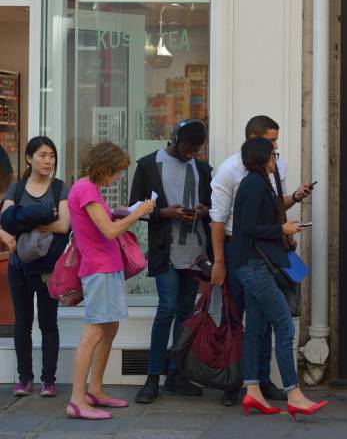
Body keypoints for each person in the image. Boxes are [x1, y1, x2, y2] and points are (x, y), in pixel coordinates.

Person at [210, 115, 312, 407]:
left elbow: (273, 208)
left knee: (258, 324)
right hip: (246, 256)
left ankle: (255, 386)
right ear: (257, 145)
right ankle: (249, 384)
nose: (276, 149)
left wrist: (292, 204)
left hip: (264, 254)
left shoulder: (267, 176)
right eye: (272, 144)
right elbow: (229, 222)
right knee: (271, 322)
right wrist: (220, 260)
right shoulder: (241, 177)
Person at [229, 138, 325, 421]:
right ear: (263, 158)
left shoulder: (257, 182)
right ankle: (294, 395)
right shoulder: (255, 184)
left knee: (256, 328)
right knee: (284, 325)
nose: (276, 158)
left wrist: (282, 227)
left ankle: (253, 391)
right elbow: (246, 228)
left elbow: (252, 225)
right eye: (273, 153)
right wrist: (280, 228)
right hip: (255, 266)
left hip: (253, 263)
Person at [66, 142, 155, 420]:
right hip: (100, 268)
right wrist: (138, 213)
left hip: (106, 267)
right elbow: (109, 232)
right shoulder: (86, 189)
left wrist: (119, 212)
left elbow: (102, 225)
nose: (117, 178)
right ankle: (77, 400)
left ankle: (95, 390)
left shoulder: (87, 189)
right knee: (94, 331)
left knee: (109, 327)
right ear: (103, 166)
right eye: (115, 172)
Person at [131, 120, 213, 404]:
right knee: (166, 308)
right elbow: (134, 210)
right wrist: (164, 212)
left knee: (185, 313)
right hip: (165, 250)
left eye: (195, 151)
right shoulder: (148, 166)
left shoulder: (203, 169)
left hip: (195, 251)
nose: (191, 155)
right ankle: (153, 378)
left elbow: (214, 206)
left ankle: (177, 376)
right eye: (187, 149)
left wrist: (204, 210)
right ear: (175, 139)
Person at [0, 137, 70, 397]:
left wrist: (24, 223)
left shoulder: (60, 188)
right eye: (42, 155)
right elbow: (6, 222)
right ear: (29, 158)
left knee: (49, 323)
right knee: (22, 323)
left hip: (48, 266)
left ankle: (48, 380)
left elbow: (63, 225)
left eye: (51, 155)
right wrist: (40, 218)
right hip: (18, 265)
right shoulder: (17, 189)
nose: (48, 160)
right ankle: (24, 378)